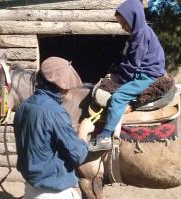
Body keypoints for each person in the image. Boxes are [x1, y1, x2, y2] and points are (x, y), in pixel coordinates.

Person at [89, 0, 167, 151]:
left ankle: (105, 136)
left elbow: (133, 64)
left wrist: (119, 78)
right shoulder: (141, 33)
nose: (123, 27)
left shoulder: (141, 35)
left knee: (118, 97)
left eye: (124, 23)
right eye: (121, 24)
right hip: (145, 71)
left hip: (147, 75)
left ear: (134, 18)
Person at [14, 57, 95, 199]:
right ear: (61, 87)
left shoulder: (22, 108)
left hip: (31, 190)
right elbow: (77, 156)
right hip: (54, 193)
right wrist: (83, 131)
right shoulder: (56, 112)